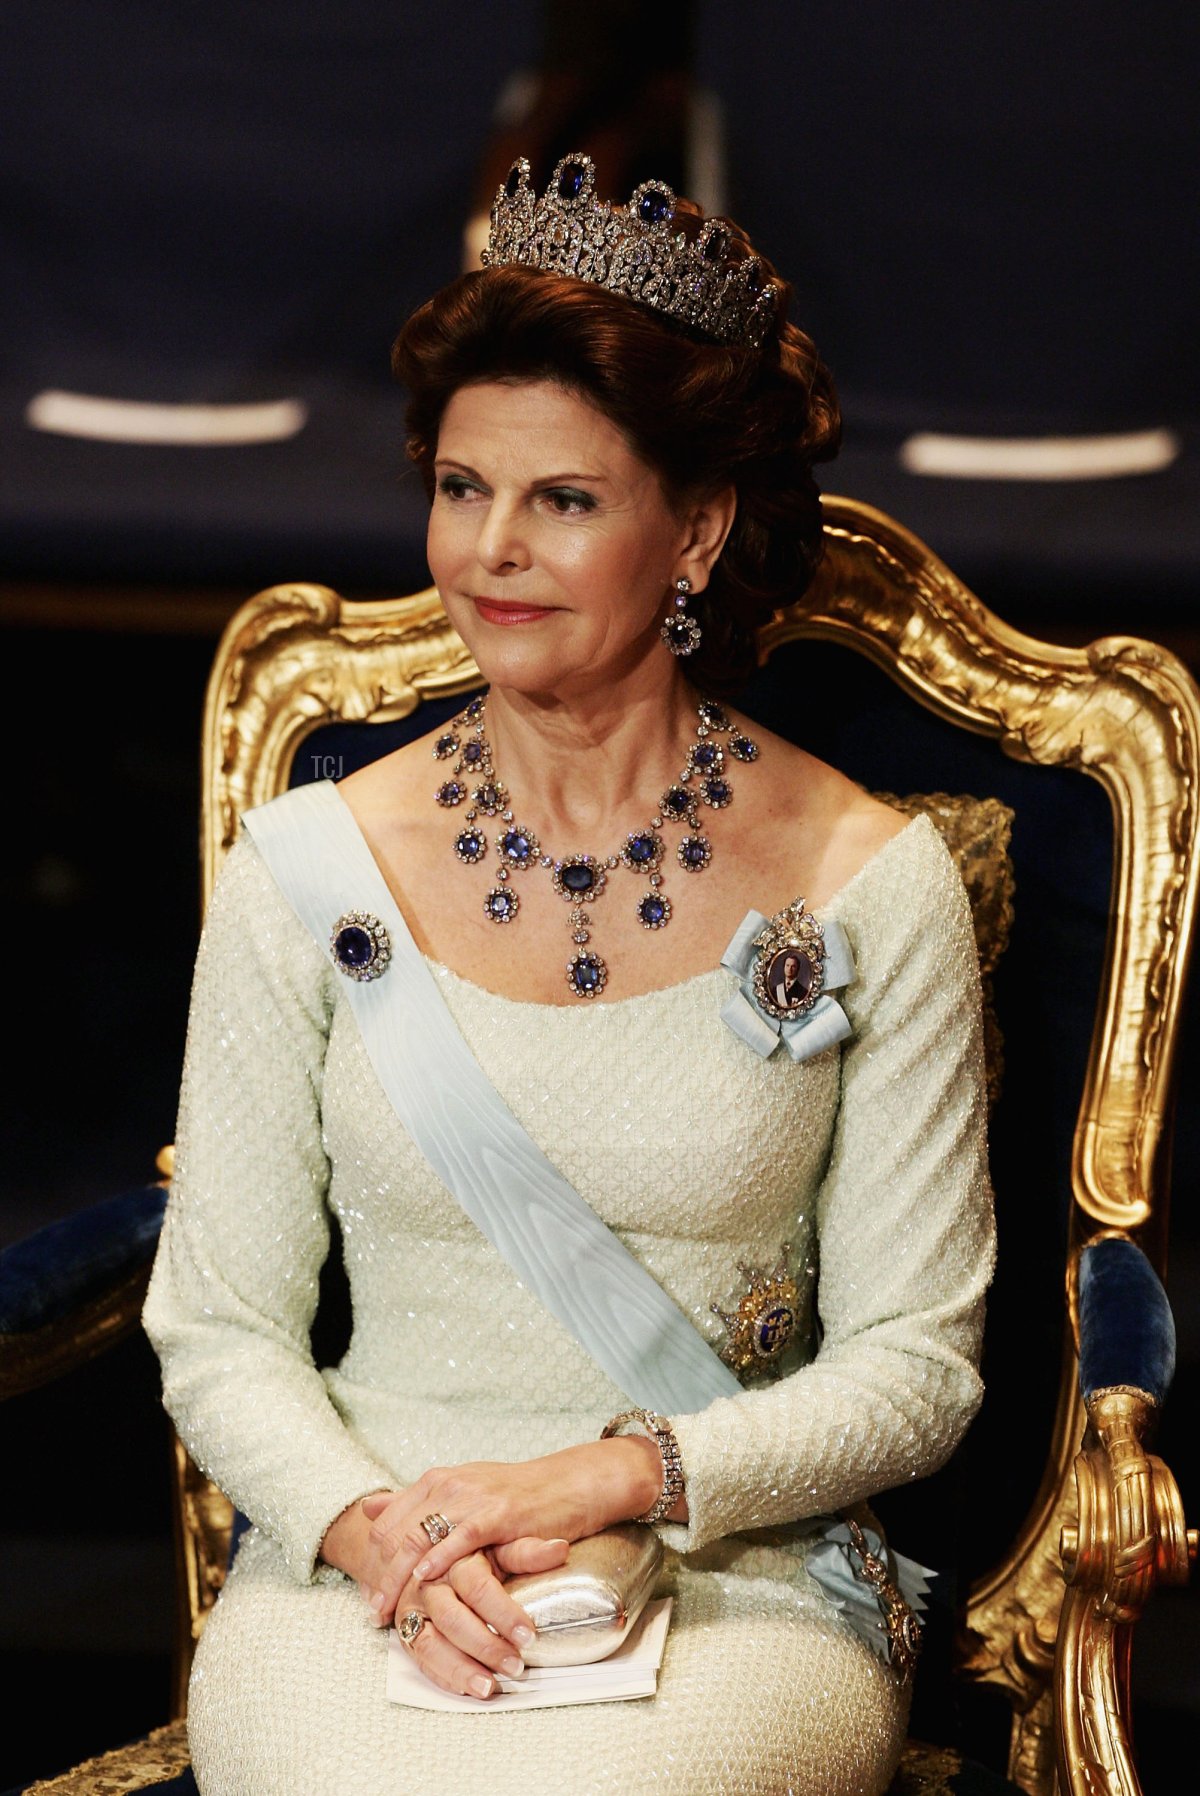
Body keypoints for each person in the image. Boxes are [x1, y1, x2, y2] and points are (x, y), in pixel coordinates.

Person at [144, 152, 994, 1796]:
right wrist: (370, 1523)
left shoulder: (870, 884)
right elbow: (220, 1326)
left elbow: (915, 1366)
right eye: (462, 488)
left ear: (701, 528)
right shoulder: (309, 870)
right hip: (371, 1562)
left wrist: (610, 1479)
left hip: (737, 1576)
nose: (490, 552)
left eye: (566, 500)